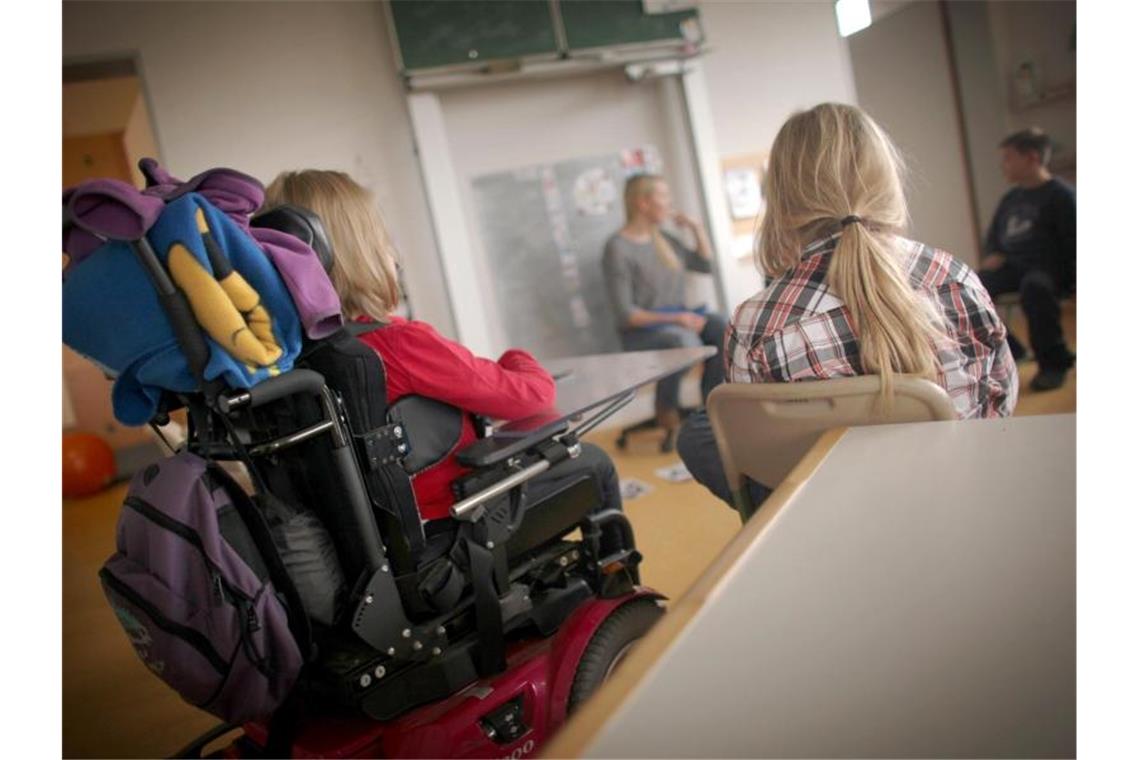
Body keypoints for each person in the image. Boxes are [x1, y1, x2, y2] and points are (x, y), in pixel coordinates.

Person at [677, 103, 1018, 511]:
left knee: (700, 429)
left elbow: (758, 458)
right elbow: (1002, 402)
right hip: (959, 496)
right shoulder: (955, 278)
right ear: (885, 179)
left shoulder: (756, 323)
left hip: (830, 515)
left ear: (782, 199)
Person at [264, 170, 623, 544]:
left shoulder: (291, 357)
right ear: (362, 251)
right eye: (383, 240)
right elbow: (532, 396)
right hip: (459, 524)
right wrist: (517, 356)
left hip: (385, 544)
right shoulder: (398, 343)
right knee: (594, 463)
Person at [602, 174, 727, 435]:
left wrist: (696, 228)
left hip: (679, 319)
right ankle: (665, 405)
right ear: (643, 203)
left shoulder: (666, 240)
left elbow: (705, 265)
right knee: (683, 342)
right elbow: (626, 314)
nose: (669, 204)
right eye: (664, 197)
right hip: (642, 332)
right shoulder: (618, 248)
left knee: (722, 327)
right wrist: (677, 319)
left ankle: (712, 406)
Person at [978, 128, 1076, 391]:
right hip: (1013, 267)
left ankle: (1054, 364)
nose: (1003, 165)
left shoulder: (1062, 196)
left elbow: (1074, 244)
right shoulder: (1011, 198)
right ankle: (1012, 350)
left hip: (1049, 270)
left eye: (1008, 158)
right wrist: (993, 254)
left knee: (1035, 287)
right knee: (973, 284)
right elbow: (994, 238)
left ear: (1031, 158)